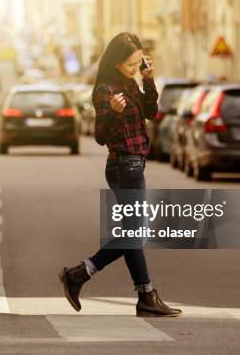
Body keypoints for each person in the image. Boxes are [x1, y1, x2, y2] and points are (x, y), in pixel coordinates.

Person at [59, 32, 182, 317]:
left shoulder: (130, 82)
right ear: (116, 62)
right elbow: (100, 136)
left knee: (134, 233)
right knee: (135, 233)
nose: (134, 68)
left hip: (134, 163)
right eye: (130, 64)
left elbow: (151, 112)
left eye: (138, 63)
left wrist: (147, 79)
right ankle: (136, 292)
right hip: (123, 164)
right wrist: (113, 113)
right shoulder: (105, 89)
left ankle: (93, 278)